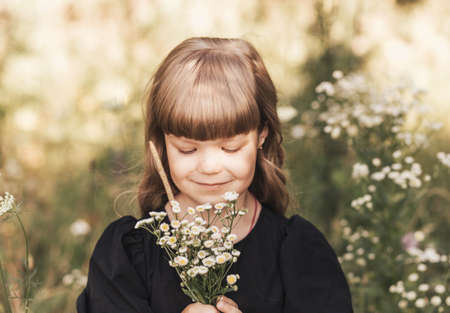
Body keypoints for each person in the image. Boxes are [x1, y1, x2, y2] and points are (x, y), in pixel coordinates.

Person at [77, 37, 354, 313]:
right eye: (187, 149)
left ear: (262, 136)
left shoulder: (299, 254)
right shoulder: (128, 256)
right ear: (162, 144)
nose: (210, 166)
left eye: (230, 147)